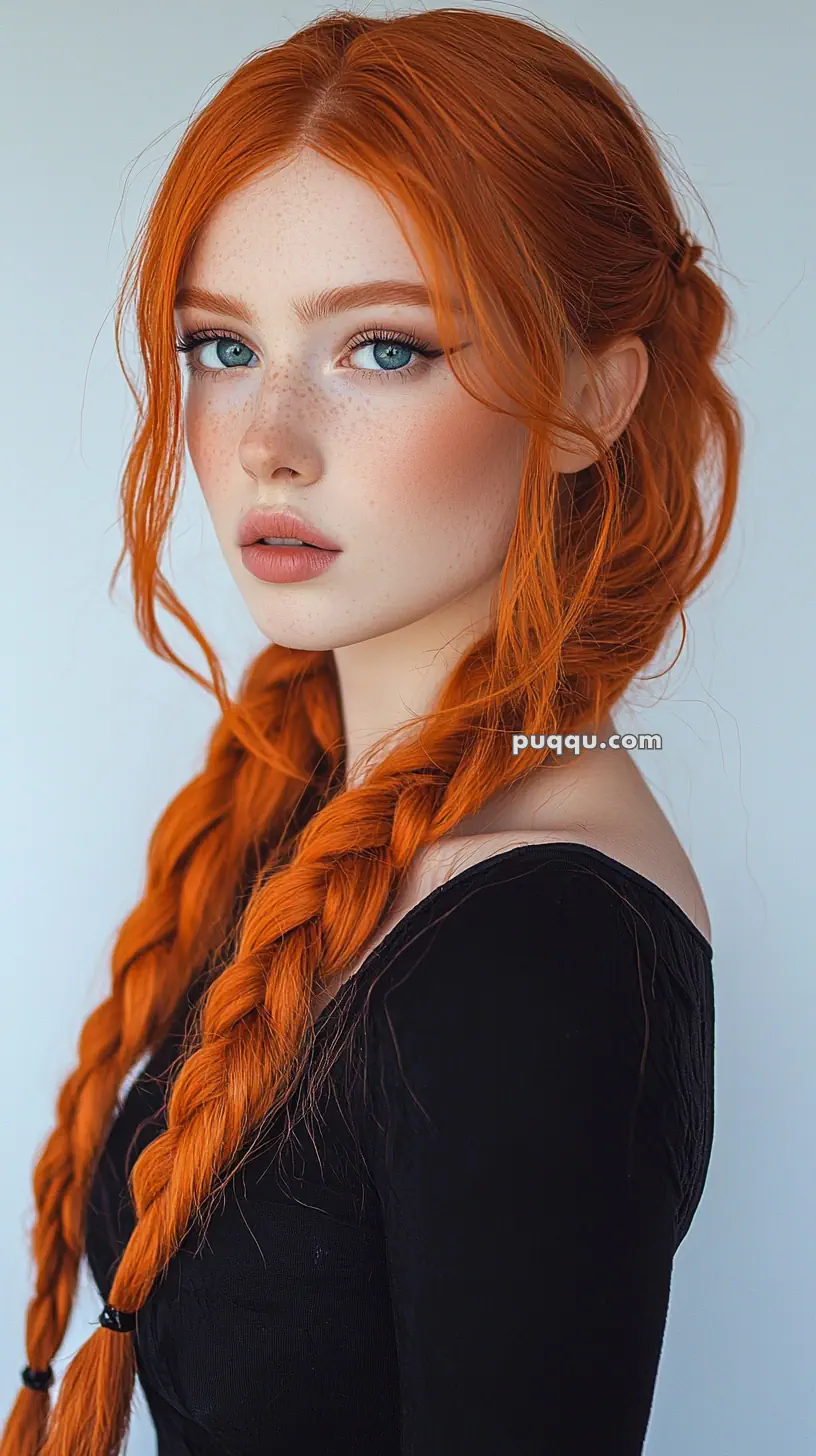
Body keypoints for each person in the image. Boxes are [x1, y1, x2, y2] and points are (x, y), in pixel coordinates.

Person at [2, 7, 742, 1455]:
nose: (269, 435)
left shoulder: (538, 951)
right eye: (221, 344)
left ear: (594, 395)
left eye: (383, 350)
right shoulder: (311, 807)